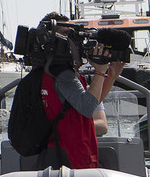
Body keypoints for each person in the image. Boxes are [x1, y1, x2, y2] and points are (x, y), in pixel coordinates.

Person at [37, 19, 127, 169]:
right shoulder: (62, 74)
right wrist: (100, 70)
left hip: (65, 152)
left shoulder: (52, 71)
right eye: (67, 34)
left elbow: (92, 102)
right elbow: (87, 108)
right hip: (70, 157)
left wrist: (110, 77)